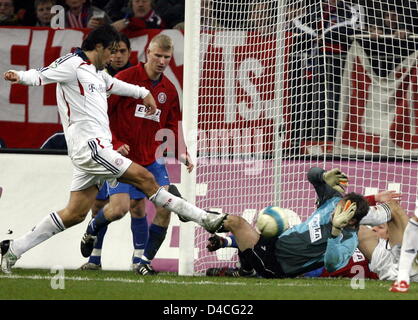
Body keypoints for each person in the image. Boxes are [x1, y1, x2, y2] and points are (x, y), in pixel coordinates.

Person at [0, 24, 227, 274]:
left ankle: (13, 249)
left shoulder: (98, 72)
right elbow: (40, 75)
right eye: (111, 51)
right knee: (145, 179)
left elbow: (116, 85)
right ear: (98, 47)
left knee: (75, 213)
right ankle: (205, 218)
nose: (113, 57)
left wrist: (143, 93)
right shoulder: (71, 64)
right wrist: (18, 76)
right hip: (92, 149)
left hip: (94, 151)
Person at [80, 34, 193, 275]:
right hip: (121, 159)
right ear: (147, 54)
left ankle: (144, 262)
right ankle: (92, 228)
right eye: (158, 55)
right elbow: (102, 115)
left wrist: (179, 150)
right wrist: (116, 142)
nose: (162, 61)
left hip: (151, 160)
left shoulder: (169, 90)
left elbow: (171, 123)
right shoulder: (125, 80)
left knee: (165, 207)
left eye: (167, 57)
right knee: (118, 209)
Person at [203, 167, 370, 279]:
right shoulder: (333, 201)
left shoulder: (349, 240)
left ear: (352, 219)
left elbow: (332, 264)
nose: (335, 211)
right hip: (274, 242)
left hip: (276, 265)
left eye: (340, 211)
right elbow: (312, 174)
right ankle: (245, 271)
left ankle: (193, 214)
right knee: (260, 227)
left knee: (236, 223)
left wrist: (335, 231)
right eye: (338, 207)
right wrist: (323, 176)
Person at [357, 200, 418, 293]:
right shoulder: (379, 251)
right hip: (393, 270)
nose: (374, 229)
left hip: (411, 267)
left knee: (393, 207)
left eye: (380, 227)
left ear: (391, 232)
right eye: (373, 226)